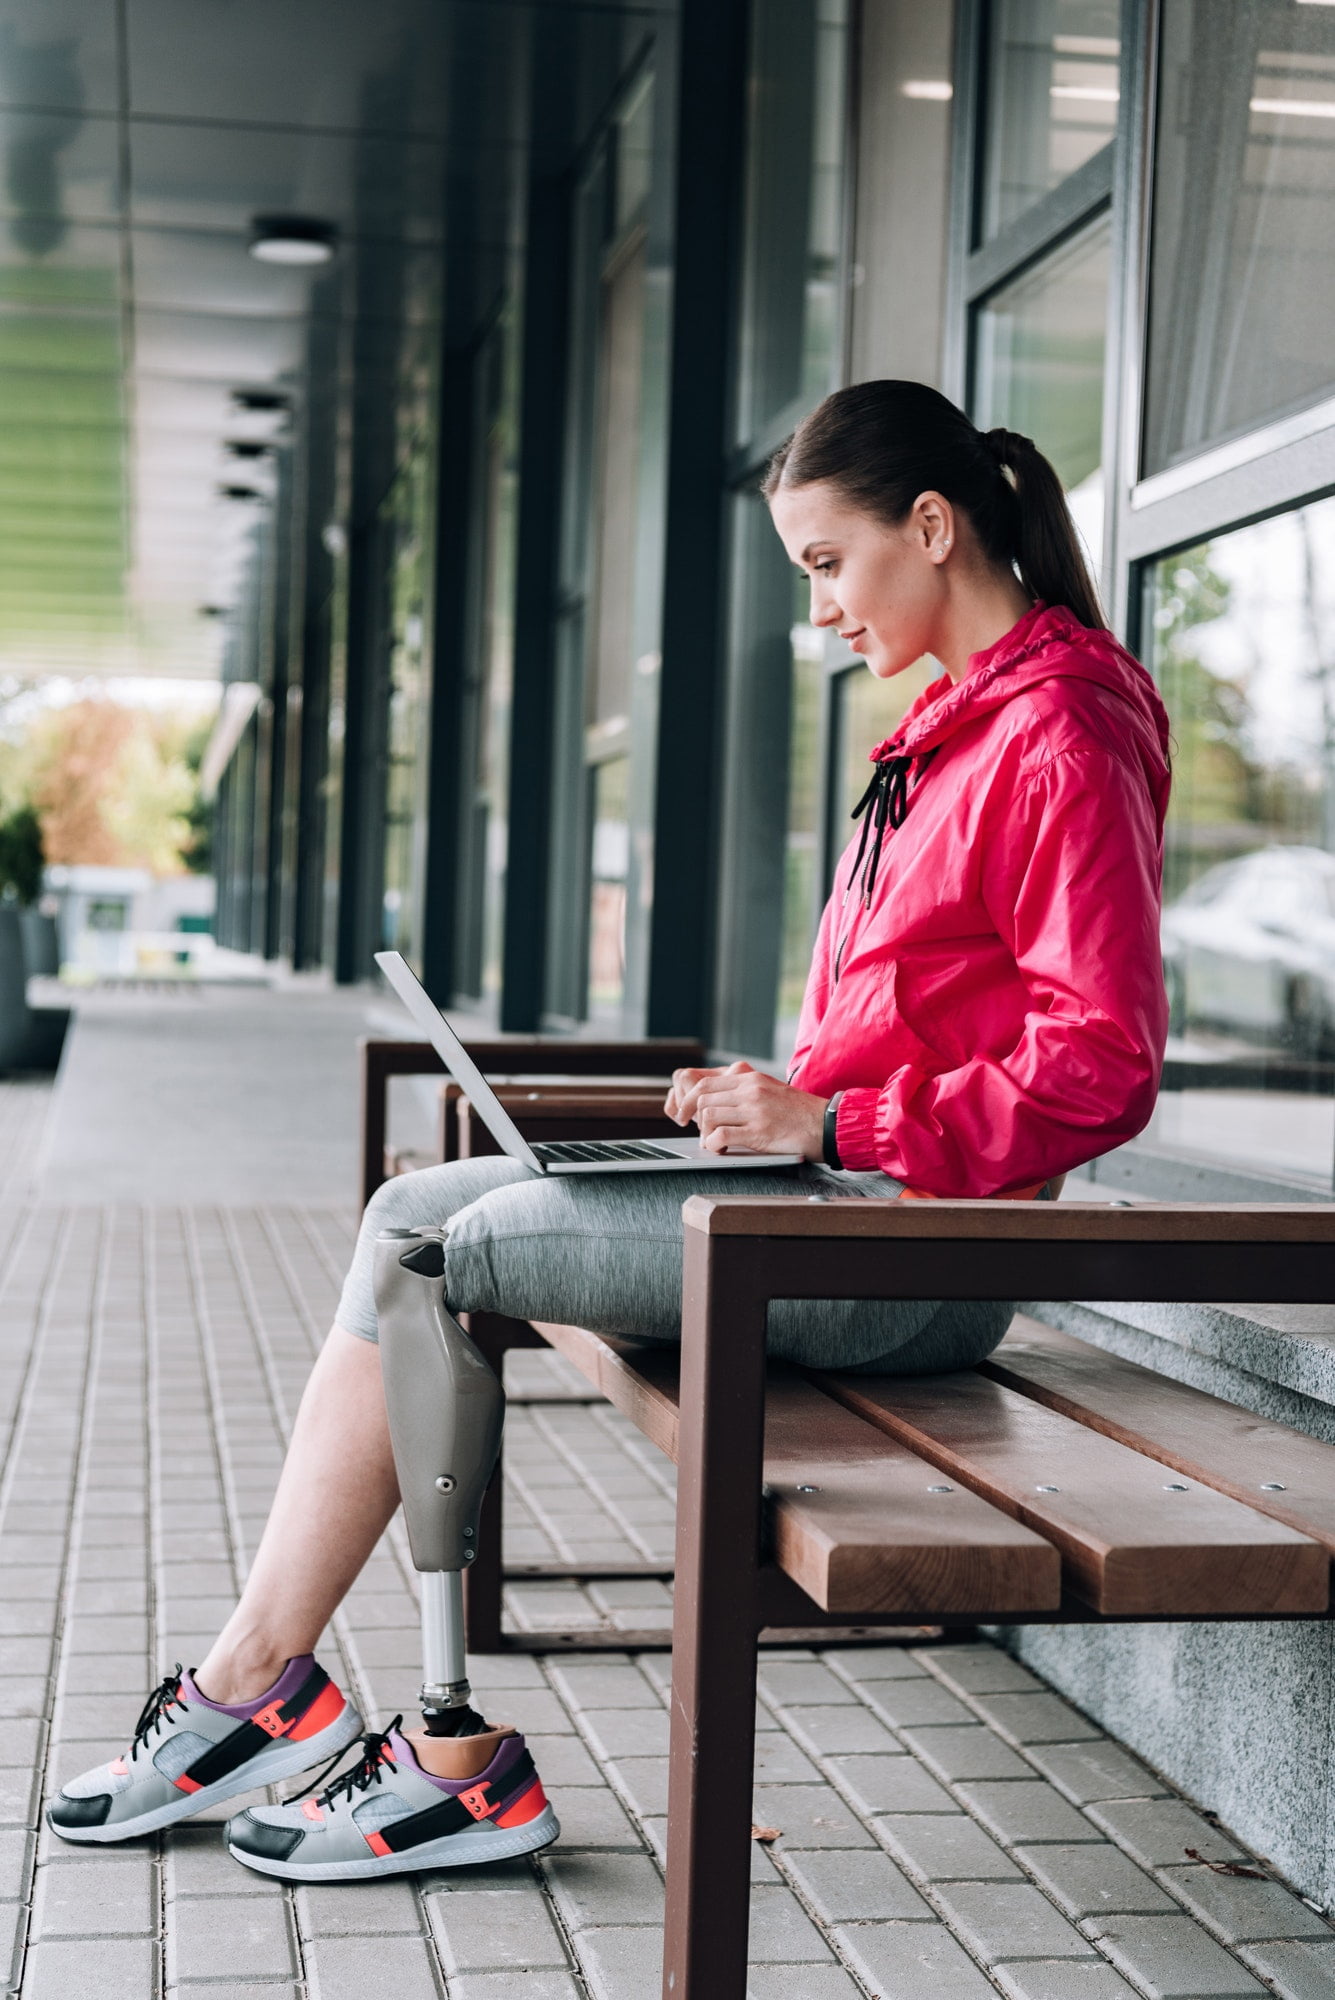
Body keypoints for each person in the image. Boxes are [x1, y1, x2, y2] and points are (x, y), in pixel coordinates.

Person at [46, 379, 1170, 1881]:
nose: (822, 608)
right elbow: (920, 1024)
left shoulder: (1061, 728)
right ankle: (271, 1688)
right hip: (832, 1206)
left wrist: (831, 1118)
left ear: (932, 524)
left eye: (829, 564)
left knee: (434, 1242)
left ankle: (401, 1746)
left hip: (918, 1256)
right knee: (414, 1211)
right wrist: (763, 1110)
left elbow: (1102, 1066)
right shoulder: (950, 734)